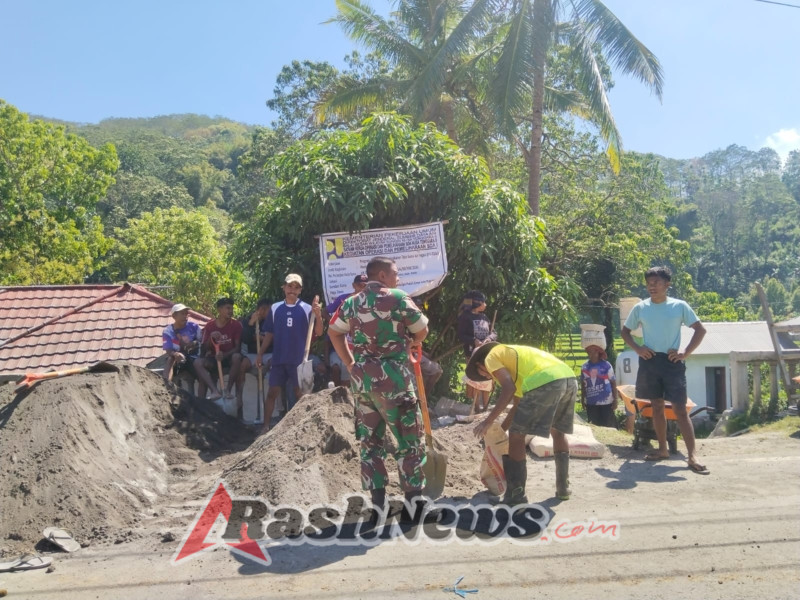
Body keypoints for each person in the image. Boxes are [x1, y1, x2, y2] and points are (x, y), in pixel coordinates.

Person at [328, 256, 430, 519]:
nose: (398, 278)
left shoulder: (351, 302)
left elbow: (333, 332)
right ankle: (413, 511)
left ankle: (377, 510)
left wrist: (350, 363)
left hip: (363, 382)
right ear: (382, 275)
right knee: (409, 441)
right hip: (394, 381)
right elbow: (422, 329)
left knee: (370, 444)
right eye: (395, 273)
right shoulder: (398, 297)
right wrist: (412, 342)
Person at [621, 266, 708, 474]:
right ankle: (662, 450)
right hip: (650, 362)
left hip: (672, 362)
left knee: (679, 409)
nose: (652, 286)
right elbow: (625, 332)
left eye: (656, 282)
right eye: (649, 283)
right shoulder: (641, 308)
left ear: (667, 284)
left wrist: (685, 353)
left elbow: (700, 330)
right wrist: (638, 349)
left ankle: (692, 456)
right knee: (657, 407)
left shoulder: (679, 306)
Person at [470, 342, 577, 504]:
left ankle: (516, 495)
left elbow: (508, 389)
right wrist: (499, 433)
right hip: (568, 378)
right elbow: (516, 407)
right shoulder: (518, 367)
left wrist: (487, 421)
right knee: (557, 432)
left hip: (546, 380)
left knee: (517, 436)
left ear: (480, 363)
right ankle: (563, 488)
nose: (487, 377)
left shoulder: (491, 357)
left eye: (482, 374)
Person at [257, 273, 323, 433]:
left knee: (300, 394)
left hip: (299, 359)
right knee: (272, 392)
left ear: (300, 290)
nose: (292, 290)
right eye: (289, 286)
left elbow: (319, 332)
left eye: (296, 287)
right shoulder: (275, 308)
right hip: (279, 358)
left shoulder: (307, 309)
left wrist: (319, 315)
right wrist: (260, 354)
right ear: (284, 287)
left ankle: (306, 428)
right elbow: (269, 334)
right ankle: (265, 427)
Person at [195, 297, 246, 404]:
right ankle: (215, 391)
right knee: (197, 363)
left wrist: (224, 355)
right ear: (219, 310)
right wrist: (211, 339)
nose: (230, 311)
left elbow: (237, 348)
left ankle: (227, 390)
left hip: (229, 358)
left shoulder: (236, 325)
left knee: (237, 357)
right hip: (213, 358)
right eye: (228, 308)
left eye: (231, 308)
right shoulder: (210, 326)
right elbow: (204, 348)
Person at [323, 274, 368, 387]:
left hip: (360, 346)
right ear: (354, 285)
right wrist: (335, 324)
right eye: (360, 285)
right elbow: (325, 312)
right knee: (340, 370)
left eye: (365, 286)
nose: (362, 288)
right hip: (342, 342)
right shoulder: (344, 299)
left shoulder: (371, 302)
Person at [457, 290, 497, 412]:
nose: (485, 305)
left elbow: (494, 333)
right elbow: (461, 335)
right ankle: (477, 407)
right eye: (483, 302)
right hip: (472, 354)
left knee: (487, 378)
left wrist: (489, 339)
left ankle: (485, 407)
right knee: (475, 379)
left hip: (486, 353)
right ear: (477, 303)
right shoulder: (465, 317)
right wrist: (474, 341)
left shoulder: (484, 317)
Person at [161, 303, 209, 391]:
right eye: (182, 314)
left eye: (186, 313)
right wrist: (175, 354)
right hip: (178, 359)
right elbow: (168, 350)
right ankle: (166, 386)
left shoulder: (194, 327)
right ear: (174, 316)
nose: (185, 316)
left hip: (193, 357)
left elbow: (203, 341)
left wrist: (194, 343)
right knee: (170, 359)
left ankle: (201, 398)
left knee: (202, 374)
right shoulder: (168, 331)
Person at [580, 342, 619, 428]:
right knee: (594, 426)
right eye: (587, 350)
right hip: (591, 403)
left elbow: (613, 382)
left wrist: (615, 399)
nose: (588, 352)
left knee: (608, 426)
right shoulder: (584, 367)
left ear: (597, 351)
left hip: (606, 403)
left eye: (591, 350)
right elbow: (583, 384)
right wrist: (583, 399)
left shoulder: (606, 365)